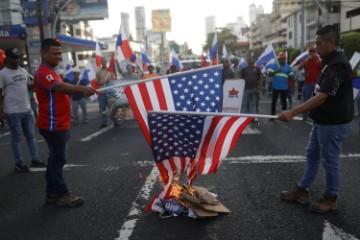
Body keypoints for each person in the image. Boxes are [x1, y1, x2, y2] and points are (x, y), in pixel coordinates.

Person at [278, 25, 353, 213]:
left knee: (330, 161)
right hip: (322, 121)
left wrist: (293, 112)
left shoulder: (337, 64)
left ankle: (331, 198)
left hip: (333, 123)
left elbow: (322, 96)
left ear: (331, 43)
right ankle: (302, 190)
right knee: (312, 155)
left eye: (319, 43)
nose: (315, 47)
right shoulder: (328, 61)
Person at [35, 38, 96, 206]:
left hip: (59, 123)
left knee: (54, 159)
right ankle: (62, 194)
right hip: (53, 124)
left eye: (59, 53)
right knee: (58, 159)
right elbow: (60, 88)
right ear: (43, 53)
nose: (58, 56)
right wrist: (82, 89)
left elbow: (61, 88)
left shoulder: (52, 71)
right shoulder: (43, 72)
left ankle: (52, 194)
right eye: (54, 53)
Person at [0, 48, 46, 172]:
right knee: (16, 137)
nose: (16, 60)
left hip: (26, 109)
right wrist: (0, 112)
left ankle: (35, 159)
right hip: (13, 111)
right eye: (13, 57)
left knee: (31, 136)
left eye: (17, 57)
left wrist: (37, 82)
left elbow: (28, 87)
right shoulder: (3, 73)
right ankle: (18, 163)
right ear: (7, 58)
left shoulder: (23, 70)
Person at [267, 52, 295, 120]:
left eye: (283, 59)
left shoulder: (288, 67)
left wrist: (292, 88)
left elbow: (292, 78)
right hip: (275, 87)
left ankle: (284, 117)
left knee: (284, 102)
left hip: (284, 88)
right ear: (278, 59)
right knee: (274, 102)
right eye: (280, 59)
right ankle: (272, 117)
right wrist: (276, 71)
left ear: (285, 59)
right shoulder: (274, 65)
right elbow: (269, 74)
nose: (282, 60)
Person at [297, 47, 322, 120]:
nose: (311, 53)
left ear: (316, 53)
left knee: (316, 100)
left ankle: (315, 115)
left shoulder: (319, 59)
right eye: (310, 52)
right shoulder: (306, 60)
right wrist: (306, 61)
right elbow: (299, 68)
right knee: (306, 99)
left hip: (317, 84)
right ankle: (305, 116)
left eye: (313, 52)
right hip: (307, 83)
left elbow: (322, 64)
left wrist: (318, 57)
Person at [95, 58, 115, 128]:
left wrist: (111, 80)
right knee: (102, 109)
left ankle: (115, 121)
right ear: (101, 63)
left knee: (112, 108)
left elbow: (114, 80)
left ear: (106, 62)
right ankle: (104, 122)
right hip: (102, 92)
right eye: (102, 62)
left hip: (110, 92)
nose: (104, 63)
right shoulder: (98, 72)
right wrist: (104, 82)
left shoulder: (110, 71)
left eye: (105, 62)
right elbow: (96, 82)